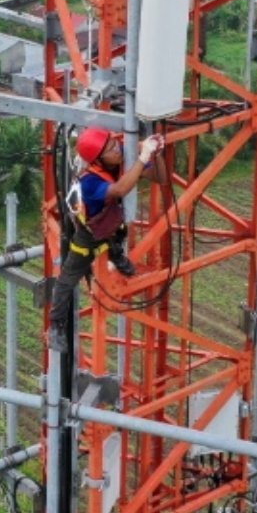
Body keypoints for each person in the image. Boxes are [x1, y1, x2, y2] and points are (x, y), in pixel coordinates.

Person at [50, 127, 163, 349]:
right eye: (110, 149)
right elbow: (120, 190)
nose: (117, 150)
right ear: (98, 160)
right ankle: (56, 325)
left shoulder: (120, 154)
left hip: (110, 222)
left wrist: (156, 156)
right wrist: (142, 157)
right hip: (90, 232)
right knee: (68, 277)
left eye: (114, 144)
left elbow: (161, 178)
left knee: (116, 232)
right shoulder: (89, 181)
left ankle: (116, 253)